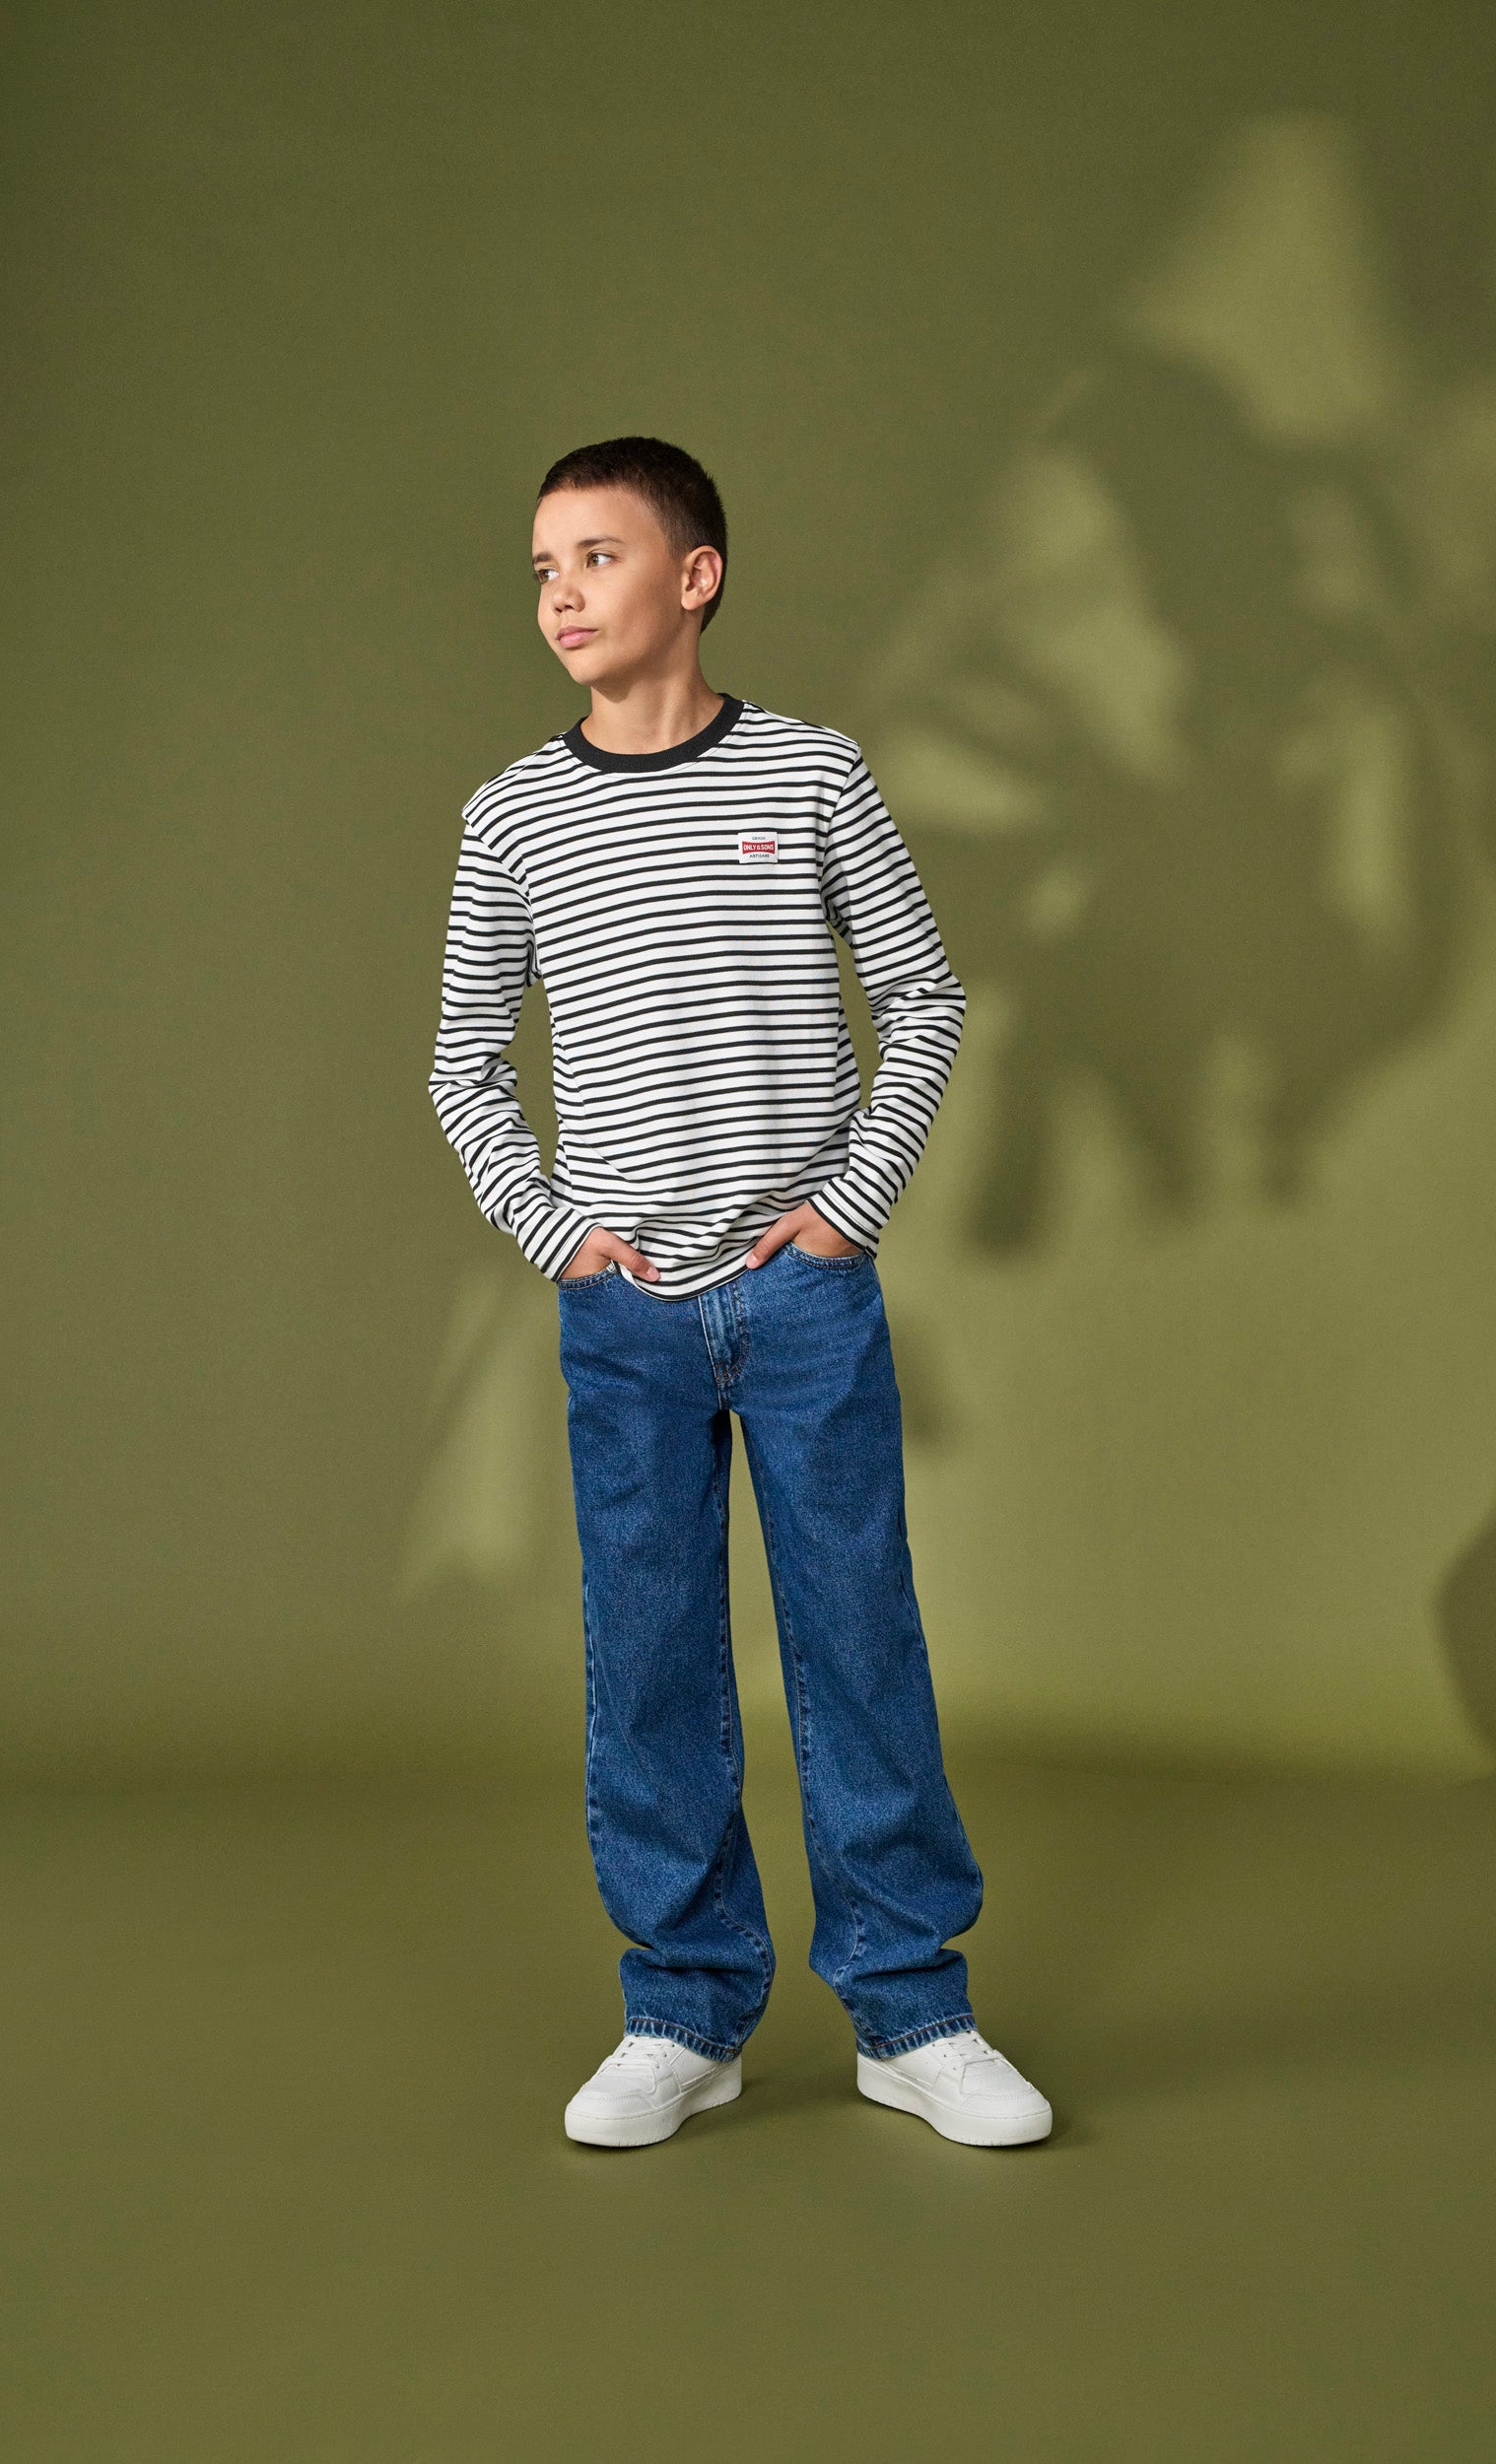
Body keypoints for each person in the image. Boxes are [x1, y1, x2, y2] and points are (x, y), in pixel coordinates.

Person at [429, 436, 1052, 2152]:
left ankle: (912, 2012)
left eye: (599, 557)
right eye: (543, 567)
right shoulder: (511, 815)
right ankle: (685, 2011)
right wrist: (557, 1233)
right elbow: (465, 1062)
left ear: (694, 576)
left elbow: (925, 997)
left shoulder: (814, 772)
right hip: (624, 1313)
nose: (562, 595)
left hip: (803, 1301)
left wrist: (850, 1209)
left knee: (859, 1642)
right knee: (648, 1661)